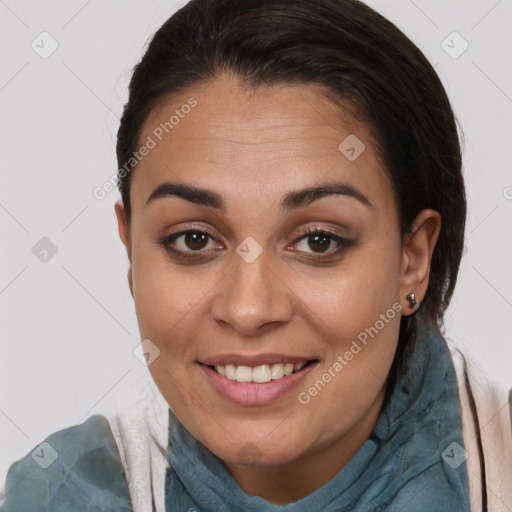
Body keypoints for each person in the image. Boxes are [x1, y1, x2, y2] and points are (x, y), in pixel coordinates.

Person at [1, 0, 511, 510]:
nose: (248, 310)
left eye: (318, 240)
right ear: (131, 249)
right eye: (194, 240)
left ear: (412, 259)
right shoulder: (60, 494)